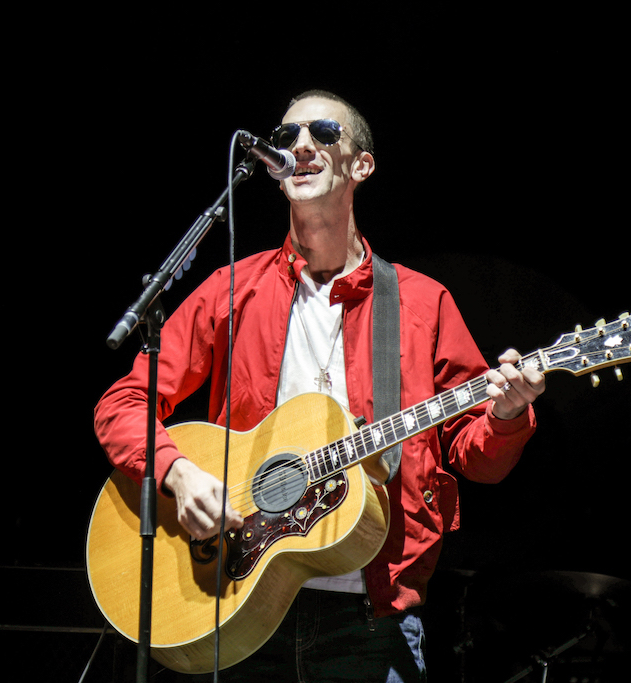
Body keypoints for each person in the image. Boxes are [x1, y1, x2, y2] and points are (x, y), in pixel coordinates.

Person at [93, 90, 545, 682]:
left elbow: (475, 456)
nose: (301, 146)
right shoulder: (233, 289)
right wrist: (178, 473)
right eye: (286, 137)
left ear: (363, 165)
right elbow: (123, 403)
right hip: (236, 595)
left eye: (324, 133)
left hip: (370, 624)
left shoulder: (422, 303)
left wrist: (507, 415)